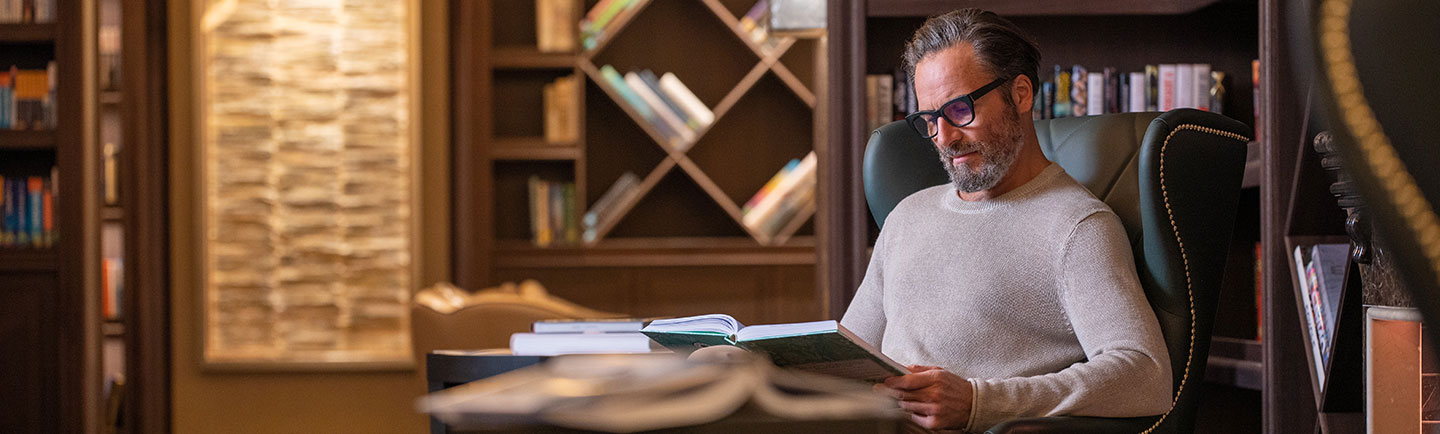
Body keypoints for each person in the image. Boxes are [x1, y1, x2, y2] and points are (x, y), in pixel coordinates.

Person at [840, 9, 1173, 432]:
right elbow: (848, 358)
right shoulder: (907, 217)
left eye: (959, 109)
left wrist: (981, 401)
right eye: (929, 119)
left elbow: (1145, 374)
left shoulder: (1076, 226)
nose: (944, 137)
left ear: (1019, 94)